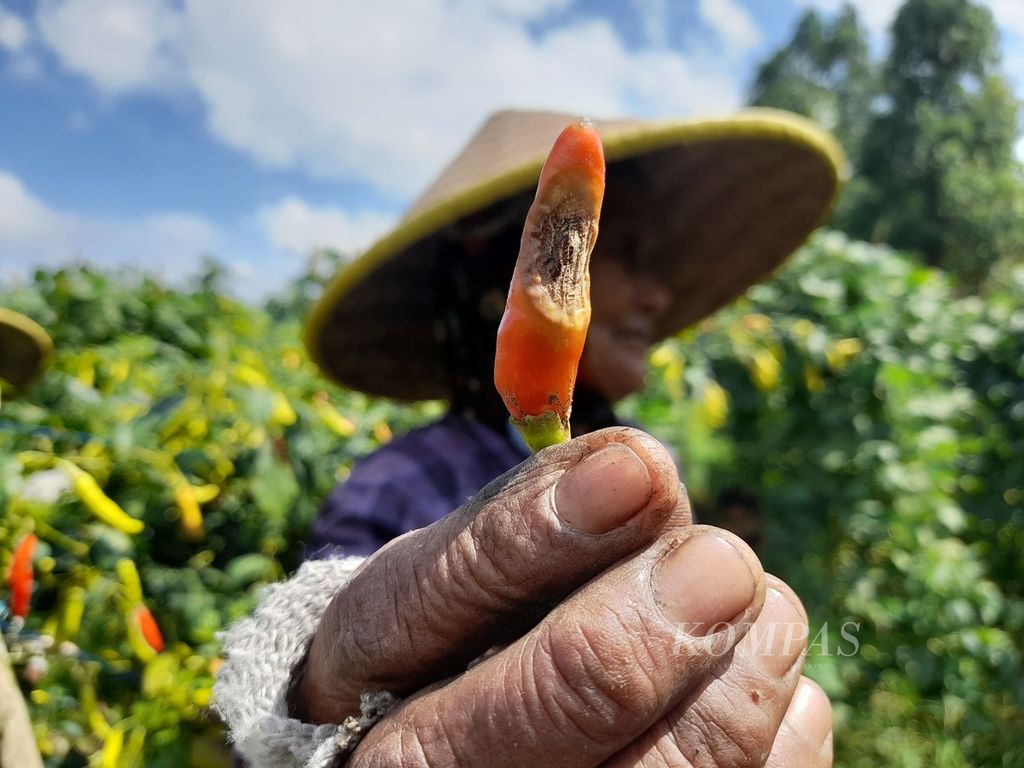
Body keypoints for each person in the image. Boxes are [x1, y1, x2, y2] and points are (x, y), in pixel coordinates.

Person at [214, 108, 845, 767]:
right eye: (622, 255)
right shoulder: (399, 482)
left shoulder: (636, 460)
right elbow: (312, 680)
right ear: (505, 284)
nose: (657, 295)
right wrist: (311, 719)